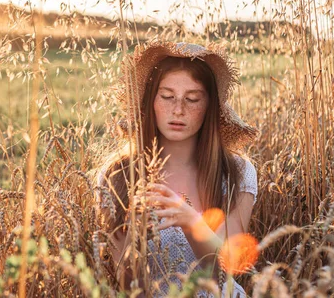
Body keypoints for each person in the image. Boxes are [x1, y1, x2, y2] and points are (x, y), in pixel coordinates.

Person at [95, 41, 258, 297]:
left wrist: (193, 223)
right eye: (167, 96)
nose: (178, 110)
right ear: (151, 101)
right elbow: (127, 286)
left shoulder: (236, 172)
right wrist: (134, 240)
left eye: (192, 99)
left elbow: (226, 271)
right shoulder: (117, 175)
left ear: (209, 107)